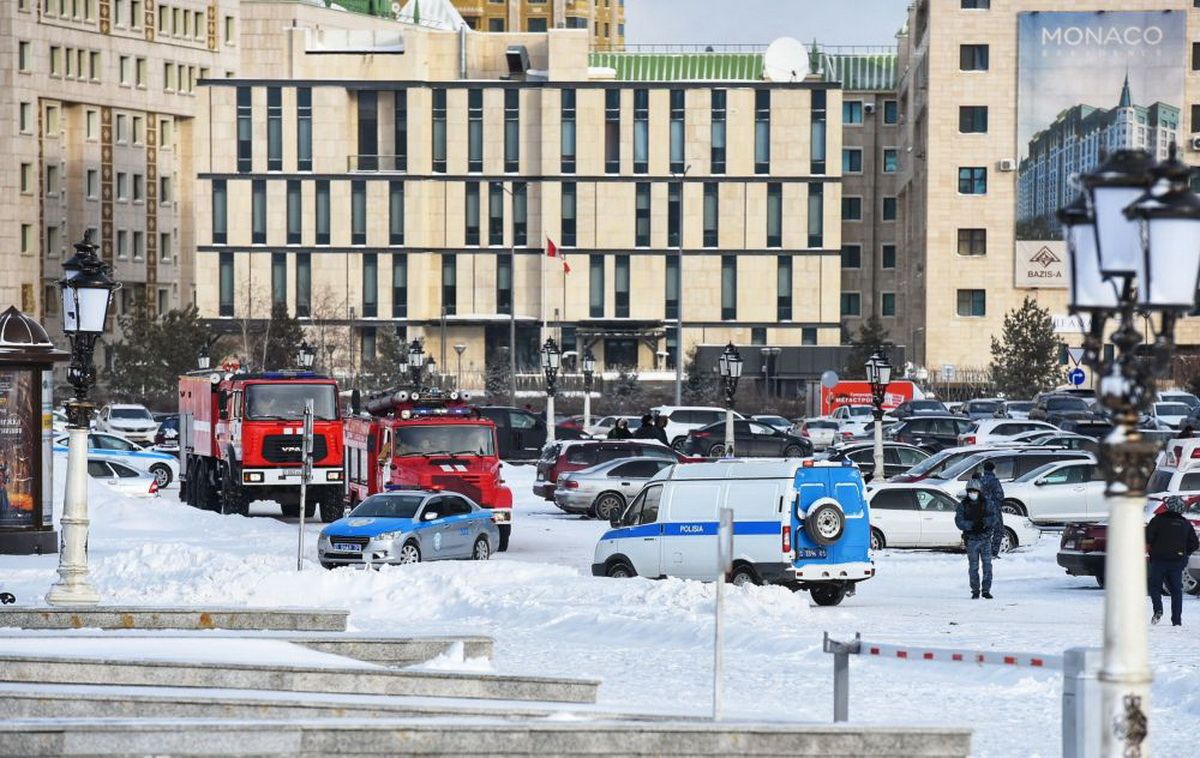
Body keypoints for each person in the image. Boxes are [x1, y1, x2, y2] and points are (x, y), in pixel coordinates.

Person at [1146, 496, 1199, 627]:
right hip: (1177, 561)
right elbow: (1194, 544)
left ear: (1168, 506)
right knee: (1176, 590)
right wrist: (1185, 554)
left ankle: (1158, 609)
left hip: (1158, 559)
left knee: (1155, 586)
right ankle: (1176, 620)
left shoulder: (1157, 520)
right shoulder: (1186, 524)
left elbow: (1148, 537)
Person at [955, 477, 999, 599]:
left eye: (974, 491)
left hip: (985, 539)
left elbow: (994, 518)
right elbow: (959, 521)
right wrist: (972, 525)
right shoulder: (963, 505)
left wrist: (984, 523)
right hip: (972, 540)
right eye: (970, 491)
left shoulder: (987, 503)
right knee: (973, 567)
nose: (972, 494)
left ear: (979, 491)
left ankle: (986, 590)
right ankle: (975, 590)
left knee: (987, 566)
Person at [980, 460, 1006, 558]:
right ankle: (993, 552)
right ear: (993, 469)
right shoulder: (994, 481)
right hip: (993, 509)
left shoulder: (979, 480)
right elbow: (1000, 495)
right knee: (998, 530)